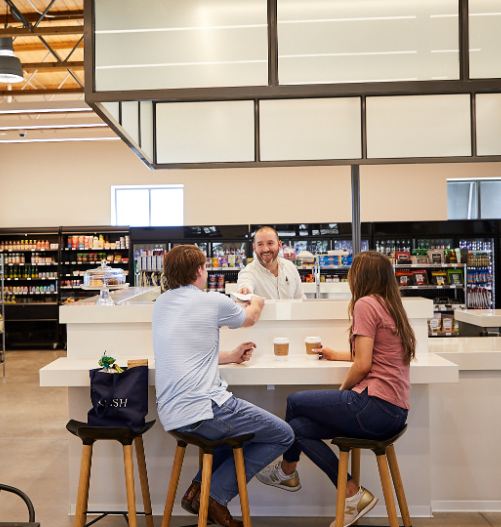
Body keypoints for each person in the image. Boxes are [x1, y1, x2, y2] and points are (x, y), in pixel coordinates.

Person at [256, 250, 416, 527]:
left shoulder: (365, 304)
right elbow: (372, 355)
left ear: (362, 276)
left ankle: (286, 470)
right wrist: (335, 353)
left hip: (374, 407)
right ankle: (353, 493)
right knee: (297, 428)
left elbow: (364, 365)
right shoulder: (390, 304)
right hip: (394, 412)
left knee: (294, 402)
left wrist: (344, 393)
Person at [153, 244, 295, 527]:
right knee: (283, 434)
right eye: (204, 267)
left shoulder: (162, 303)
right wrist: (257, 299)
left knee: (231, 434)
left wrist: (230, 357)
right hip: (203, 410)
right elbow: (251, 317)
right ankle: (215, 496)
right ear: (198, 271)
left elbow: (189, 352)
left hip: (171, 415)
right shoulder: (210, 301)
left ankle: (197, 491)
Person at [237, 226, 304, 300]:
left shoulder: (290, 267)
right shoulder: (248, 272)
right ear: (254, 248)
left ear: (279, 245)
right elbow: (245, 283)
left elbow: (300, 298)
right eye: (260, 244)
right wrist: (245, 291)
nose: (265, 249)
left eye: (270, 243)